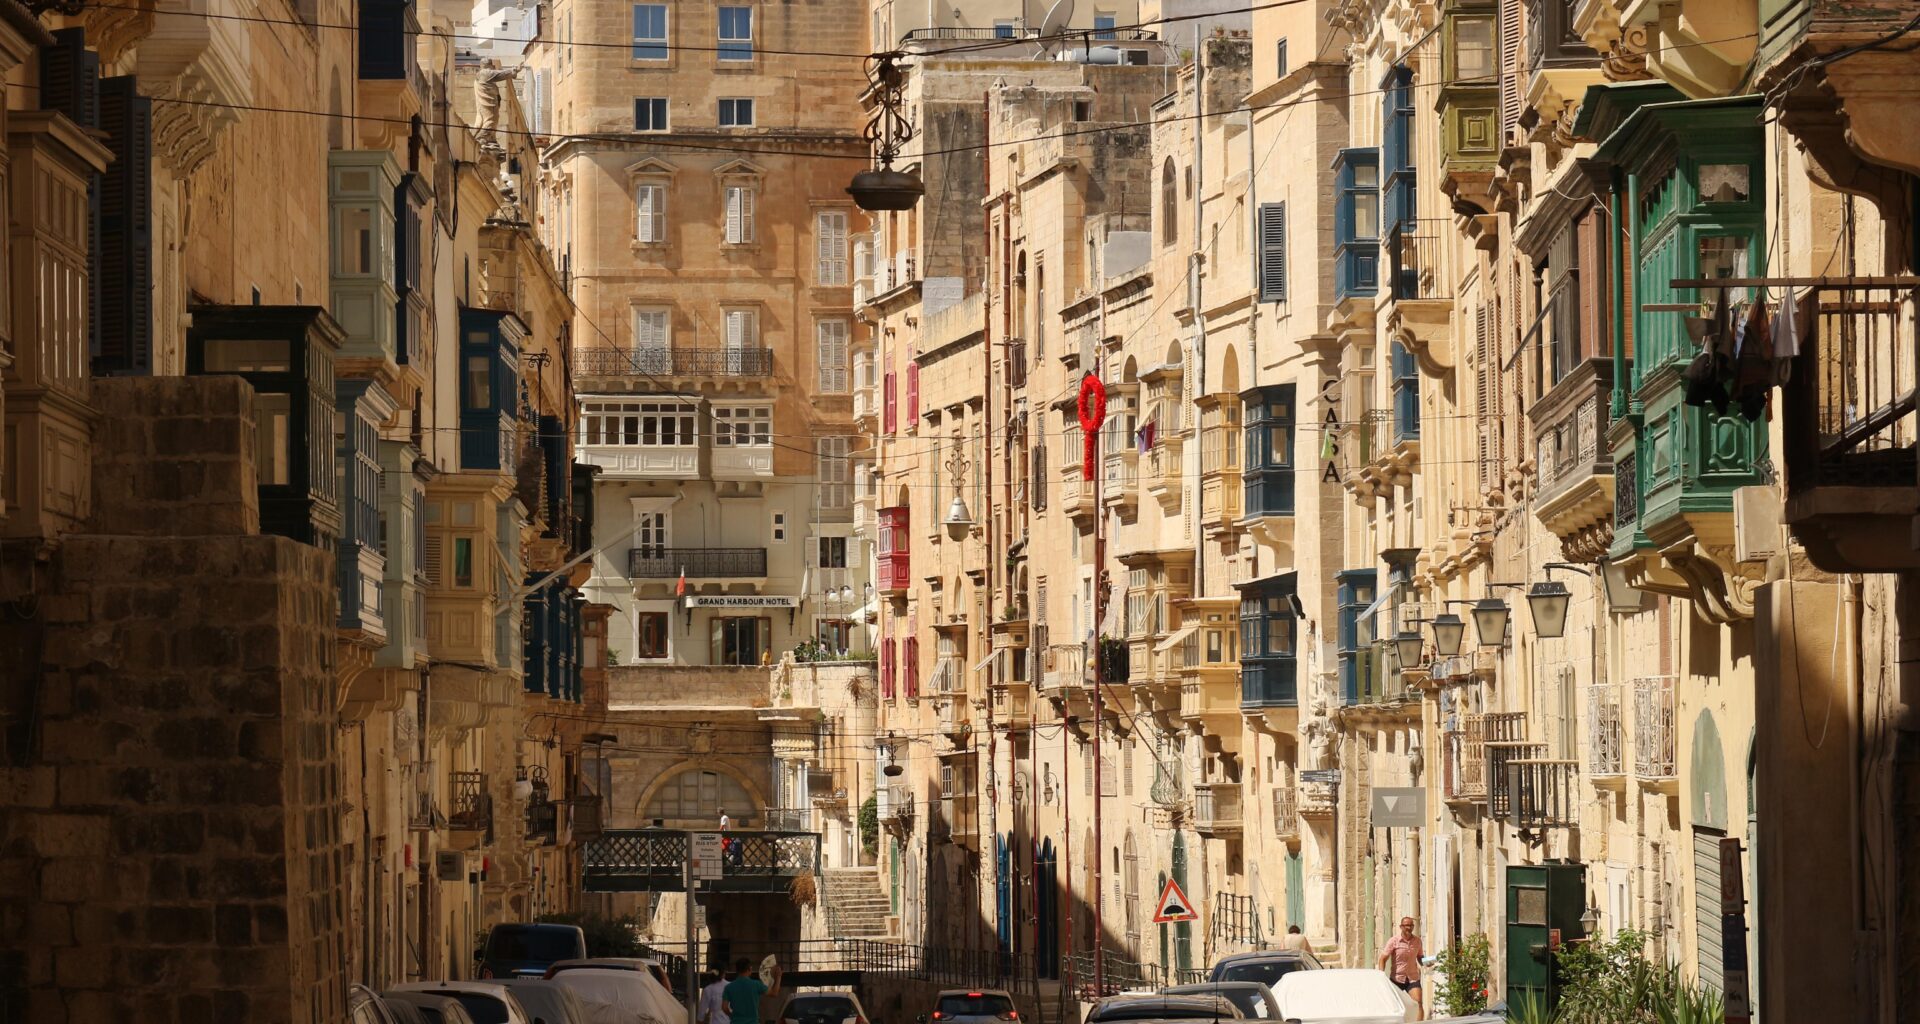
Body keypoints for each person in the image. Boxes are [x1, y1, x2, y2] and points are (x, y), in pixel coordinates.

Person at [1378, 916, 1425, 1014]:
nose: (1409, 927)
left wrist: (1427, 962)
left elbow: (1420, 957)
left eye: (1411, 925)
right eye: (1406, 925)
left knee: (1418, 1003)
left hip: (1412, 978)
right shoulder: (1393, 941)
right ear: (1401, 927)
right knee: (1395, 1007)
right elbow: (1383, 959)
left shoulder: (1417, 941)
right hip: (1397, 979)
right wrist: (1381, 975)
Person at [722, 957, 781, 1024]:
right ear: (749, 969)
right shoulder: (756, 985)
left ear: (737, 970)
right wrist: (778, 976)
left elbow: (724, 1007)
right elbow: (774, 993)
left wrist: (732, 1016)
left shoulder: (729, 987)